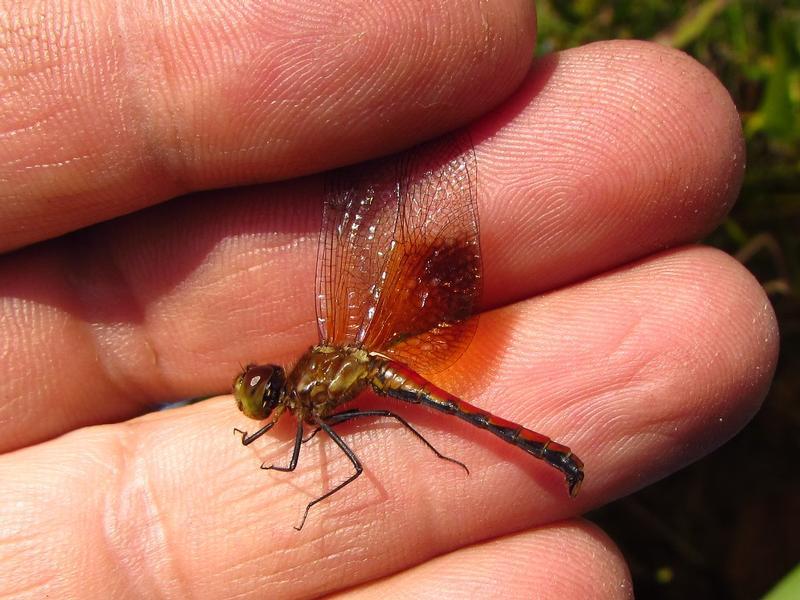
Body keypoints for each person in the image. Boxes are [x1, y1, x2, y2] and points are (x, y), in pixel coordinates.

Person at [0, 2, 777, 598]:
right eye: (262, 392)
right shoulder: (314, 376)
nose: (263, 398)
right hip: (376, 359)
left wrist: (311, 501)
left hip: (394, 370)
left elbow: (332, 460)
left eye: (265, 395)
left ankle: (551, 453)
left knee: (415, 420)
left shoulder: (314, 397)